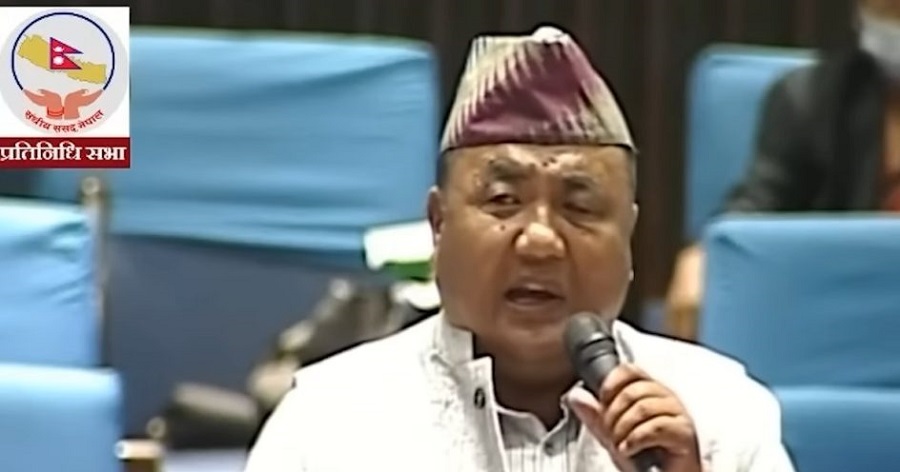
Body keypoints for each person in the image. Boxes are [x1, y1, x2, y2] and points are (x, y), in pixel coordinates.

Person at [244, 26, 794, 472]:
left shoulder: (722, 413)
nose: (540, 240)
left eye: (579, 207)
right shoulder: (330, 422)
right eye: (504, 201)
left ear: (628, 235)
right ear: (439, 226)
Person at [666, 0, 900, 341]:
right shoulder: (810, 98)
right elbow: (756, 207)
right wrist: (703, 256)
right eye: (890, 10)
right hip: (839, 326)